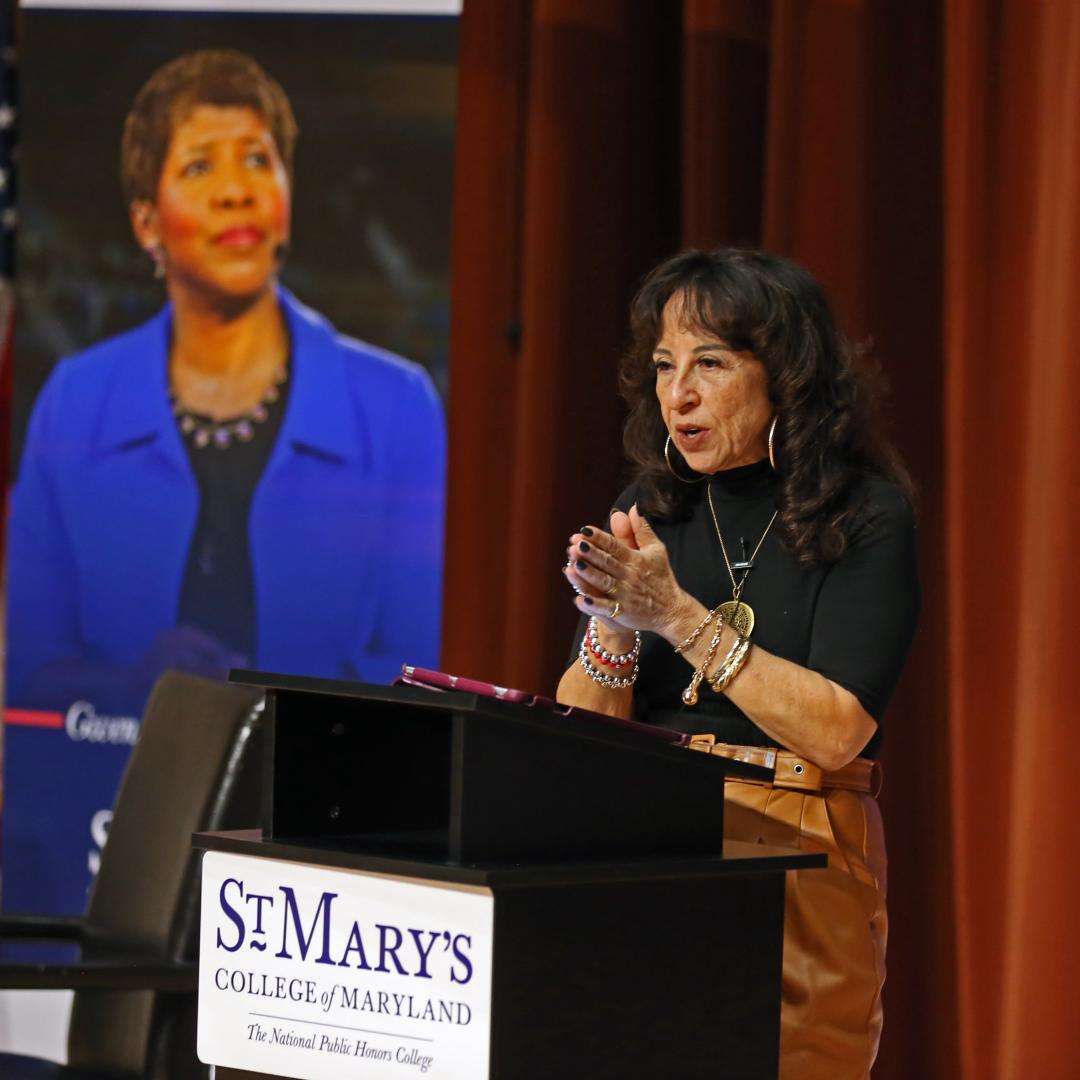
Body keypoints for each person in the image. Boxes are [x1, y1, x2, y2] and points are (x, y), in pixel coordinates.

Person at [556, 249, 919, 1079]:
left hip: (798, 852)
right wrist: (613, 630)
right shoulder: (650, 510)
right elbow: (579, 742)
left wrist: (676, 618)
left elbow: (837, 732)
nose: (676, 394)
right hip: (648, 845)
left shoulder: (863, 514)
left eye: (709, 363)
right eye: (663, 366)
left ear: (785, 373)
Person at [7, 50, 445, 717]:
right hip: (103, 790)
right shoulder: (75, 399)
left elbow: (425, 665)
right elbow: (31, 670)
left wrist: (268, 691)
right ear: (146, 222)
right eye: (199, 166)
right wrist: (135, 684)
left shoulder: (396, 405)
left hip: (320, 789)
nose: (236, 189)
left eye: (257, 159)